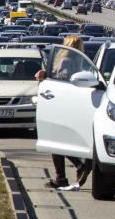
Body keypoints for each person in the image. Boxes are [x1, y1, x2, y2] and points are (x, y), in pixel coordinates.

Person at [37, 35, 92, 191]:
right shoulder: (77, 62)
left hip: (60, 104)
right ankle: (66, 173)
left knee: (56, 141)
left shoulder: (65, 61)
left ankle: (68, 173)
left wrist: (47, 76)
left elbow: (63, 78)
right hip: (71, 104)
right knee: (59, 141)